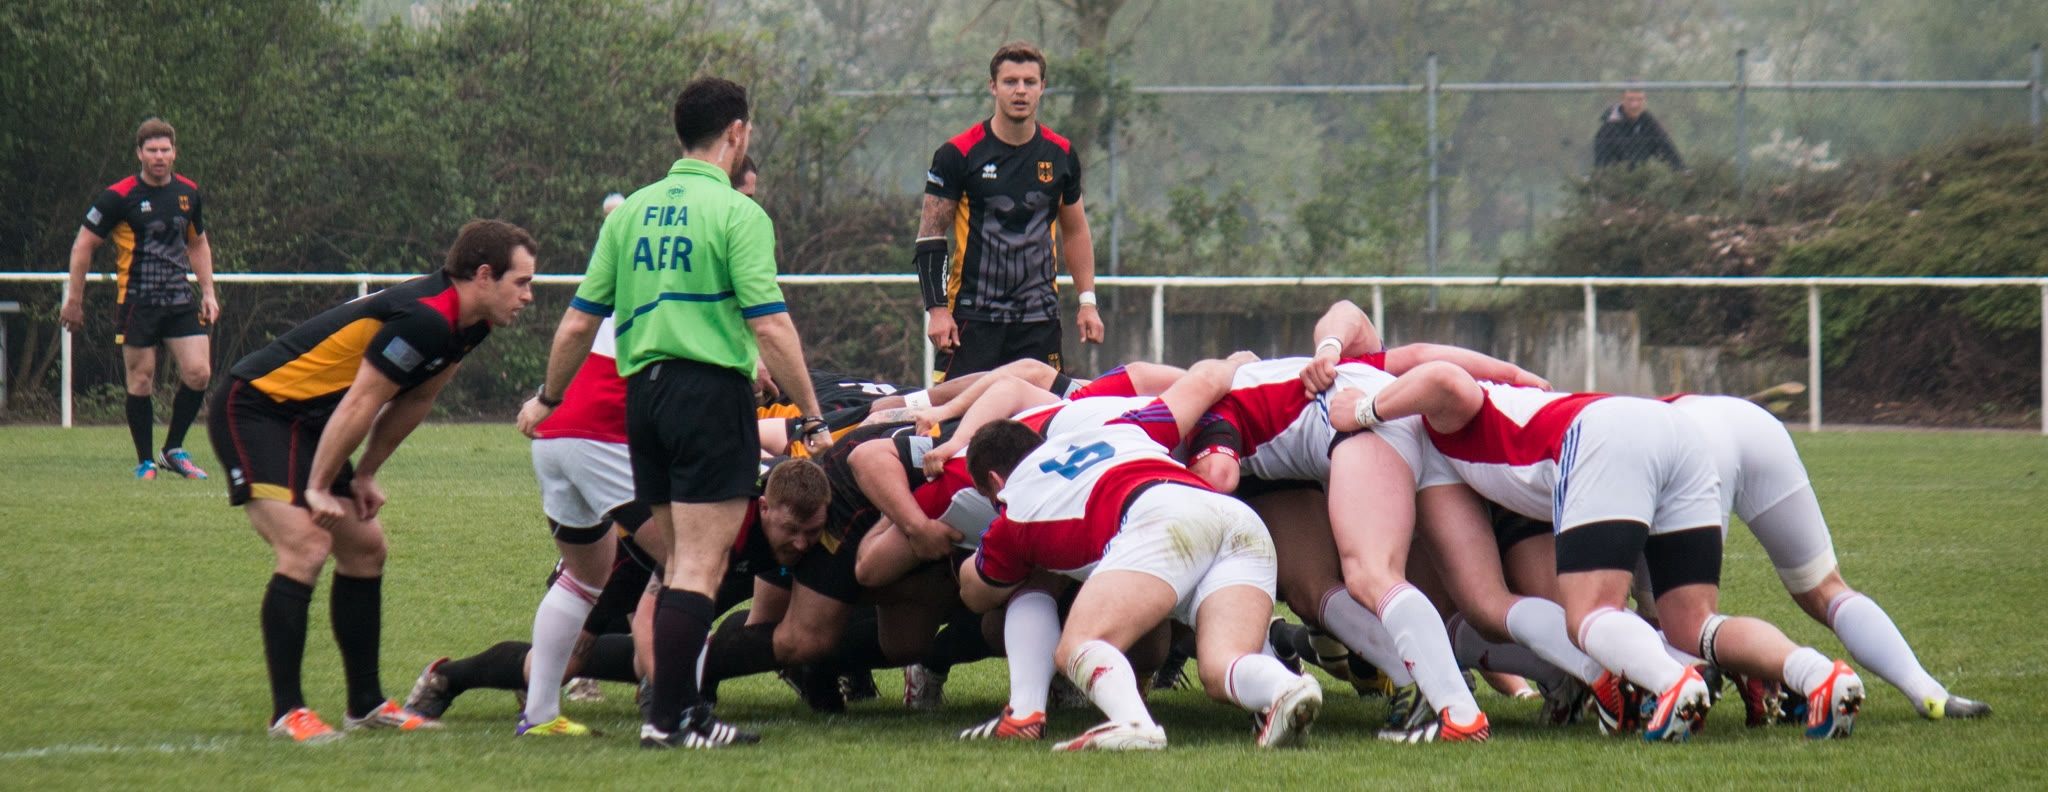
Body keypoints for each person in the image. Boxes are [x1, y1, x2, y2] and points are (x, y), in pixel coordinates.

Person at [523, 76, 830, 750]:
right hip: (708, 397)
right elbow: (771, 325)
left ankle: (678, 713)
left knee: (676, 567)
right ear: (736, 134)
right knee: (699, 568)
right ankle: (671, 721)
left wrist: (547, 397)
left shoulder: (629, 212)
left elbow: (577, 324)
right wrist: (810, 413)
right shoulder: (738, 213)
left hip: (644, 400)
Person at [1328, 368, 1867, 742]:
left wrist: (1366, 408)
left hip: (1601, 437)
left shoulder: (1427, 417)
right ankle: (1819, 676)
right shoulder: (1464, 427)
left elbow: (1443, 379)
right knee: (1692, 626)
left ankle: (1672, 684)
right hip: (1672, 431)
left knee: (1588, 616)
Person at [207, 219, 536, 743]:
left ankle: (365, 705)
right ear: (482, 275)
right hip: (258, 407)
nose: (528, 295)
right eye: (521, 282)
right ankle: (287, 713)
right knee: (306, 543)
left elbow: (417, 399)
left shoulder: (470, 324)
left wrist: (364, 474)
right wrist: (319, 486)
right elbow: (363, 399)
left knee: (365, 546)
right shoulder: (425, 318)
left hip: (312, 423)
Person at [958, 355, 1326, 751]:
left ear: (995, 482)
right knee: (1222, 666)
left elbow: (977, 592)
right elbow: (1202, 382)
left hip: (1160, 519)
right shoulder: (1121, 429)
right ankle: (1286, 687)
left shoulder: (1015, 511)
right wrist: (1235, 361)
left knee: (1078, 645)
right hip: (1235, 517)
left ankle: (1132, 722)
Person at [915, 42, 1102, 383]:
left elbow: (1075, 231)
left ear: (1042, 87)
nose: (1020, 90)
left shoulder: (1061, 154)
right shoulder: (958, 153)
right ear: (993, 86)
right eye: (1010, 81)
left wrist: (1087, 302)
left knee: (1039, 414)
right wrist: (937, 310)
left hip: (1039, 320)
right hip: (972, 320)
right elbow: (930, 235)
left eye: (1029, 82)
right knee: (959, 413)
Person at [62, 117, 219, 479]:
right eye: (152, 150)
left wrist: (208, 292)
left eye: (165, 150)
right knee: (142, 379)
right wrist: (75, 300)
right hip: (137, 301)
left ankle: (172, 450)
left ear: (174, 153)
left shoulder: (188, 193)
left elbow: (198, 243)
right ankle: (146, 461)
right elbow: (83, 245)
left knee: (199, 372)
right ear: (139, 153)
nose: (159, 156)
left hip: (179, 298)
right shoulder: (118, 196)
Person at [1593, 89, 1684, 170]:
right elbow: (1602, 166)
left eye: (1639, 99)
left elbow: (1666, 148)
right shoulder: (1608, 128)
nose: (1635, 105)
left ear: (1644, 101)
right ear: (1622, 100)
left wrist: (1682, 171)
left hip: (1642, 178)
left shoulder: (1647, 121)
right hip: (1617, 180)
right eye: (1630, 100)